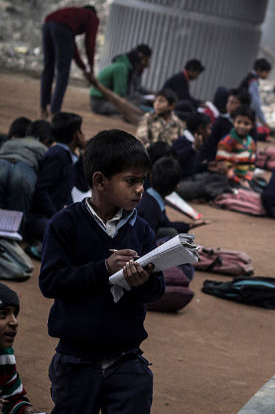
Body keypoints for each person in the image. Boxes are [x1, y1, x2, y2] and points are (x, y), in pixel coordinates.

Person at [38, 128, 165, 414]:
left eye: (142, 180)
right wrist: (103, 269)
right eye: (131, 181)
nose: (140, 189)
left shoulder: (141, 229)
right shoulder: (64, 224)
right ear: (100, 181)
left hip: (127, 356)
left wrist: (143, 282)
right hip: (76, 358)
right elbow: (50, 282)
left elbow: (157, 289)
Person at [25, 113, 87, 242]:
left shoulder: (70, 158)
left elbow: (83, 186)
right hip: (37, 218)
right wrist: (57, 216)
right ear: (77, 135)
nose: (84, 134)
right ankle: (37, 249)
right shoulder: (57, 156)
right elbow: (40, 191)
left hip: (49, 216)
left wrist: (83, 156)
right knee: (72, 235)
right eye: (82, 130)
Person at [40, 5, 99, 118]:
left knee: (48, 68)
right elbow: (90, 43)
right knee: (63, 72)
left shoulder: (73, 16)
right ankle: (54, 112)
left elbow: (73, 51)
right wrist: (91, 69)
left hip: (47, 24)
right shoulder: (92, 16)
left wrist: (84, 69)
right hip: (61, 29)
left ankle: (43, 108)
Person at [137, 156, 208, 240]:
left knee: (171, 232)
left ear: (151, 176)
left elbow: (166, 224)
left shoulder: (147, 198)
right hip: (133, 244)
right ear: (175, 188)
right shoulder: (152, 209)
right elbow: (144, 241)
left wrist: (190, 225)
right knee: (173, 237)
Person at [0, 120, 52, 233]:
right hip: (24, 172)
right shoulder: (44, 149)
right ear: (46, 141)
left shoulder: (10, 141)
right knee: (14, 222)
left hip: (1, 165)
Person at [0, 283, 42, 413]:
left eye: (15, 314)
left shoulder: (5, 357)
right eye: (3, 314)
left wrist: (25, 409)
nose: (14, 322)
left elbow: (12, 399)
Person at [199, 87, 251, 164]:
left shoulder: (249, 125)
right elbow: (209, 144)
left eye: (233, 102)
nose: (228, 105)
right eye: (228, 102)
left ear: (243, 105)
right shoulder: (221, 120)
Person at [89, 50, 143, 117]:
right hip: (100, 104)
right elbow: (119, 93)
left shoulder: (119, 65)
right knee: (137, 98)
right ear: (135, 64)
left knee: (136, 98)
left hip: (99, 102)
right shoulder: (121, 68)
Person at [215, 105, 257, 185]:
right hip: (228, 181)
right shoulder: (227, 141)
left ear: (253, 125)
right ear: (233, 121)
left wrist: (247, 180)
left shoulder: (251, 143)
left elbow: (251, 166)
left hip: (244, 181)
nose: (242, 126)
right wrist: (239, 182)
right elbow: (224, 168)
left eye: (246, 123)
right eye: (239, 122)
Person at [238, 58, 272, 141]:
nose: (267, 75)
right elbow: (255, 102)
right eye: (266, 72)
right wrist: (263, 120)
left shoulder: (251, 78)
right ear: (259, 71)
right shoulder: (253, 81)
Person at [173, 112, 211, 178]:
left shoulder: (204, 143)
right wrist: (193, 149)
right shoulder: (181, 141)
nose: (210, 132)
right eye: (209, 128)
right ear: (201, 128)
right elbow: (177, 160)